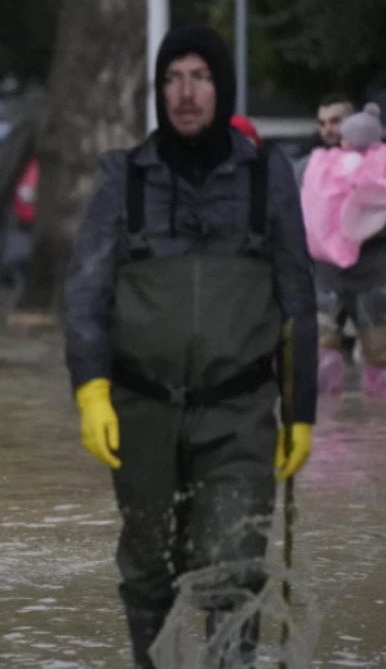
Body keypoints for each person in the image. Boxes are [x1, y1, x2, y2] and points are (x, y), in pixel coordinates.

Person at [64, 25, 317, 667]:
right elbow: (86, 293)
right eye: (173, 77)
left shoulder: (268, 176)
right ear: (158, 90)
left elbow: (297, 299)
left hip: (240, 414)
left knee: (232, 563)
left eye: (200, 77)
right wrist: (91, 390)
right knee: (149, 568)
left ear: (222, 88)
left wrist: (303, 410)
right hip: (142, 410)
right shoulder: (123, 178)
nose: (186, 92)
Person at [301, 102, 386, 398]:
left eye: (335, 121)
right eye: (322, 122)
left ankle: (375, 438)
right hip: (324, 278)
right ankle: (328, 438)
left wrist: (364, 221)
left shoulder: (380, 165)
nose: (328, 129)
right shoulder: (310, 167)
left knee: (380, 363)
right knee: (320, 363)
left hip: (374, 278)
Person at [294, 93, 355, 183]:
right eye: (322, 124)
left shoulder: (374, 158)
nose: (327, 129)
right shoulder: (306, 167)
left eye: (335, 121)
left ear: (354, 120)